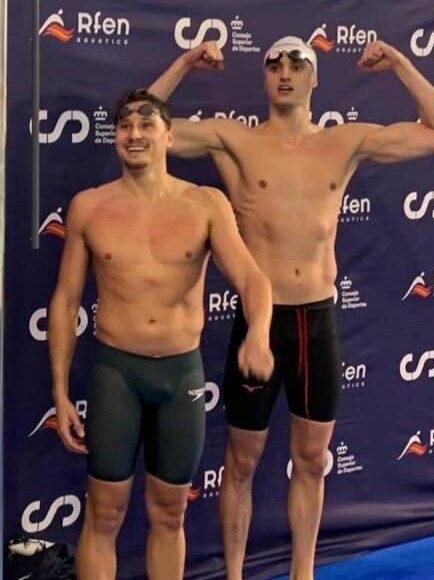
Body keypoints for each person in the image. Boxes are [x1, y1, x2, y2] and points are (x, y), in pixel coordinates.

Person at [148, 35, 434, 580]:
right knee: (241, 462)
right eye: (275, 65)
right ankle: (235, 575)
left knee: (312, 461)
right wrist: (186, 62)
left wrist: (401, 64)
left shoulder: (345, 142)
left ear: (315, 78)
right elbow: (147, 128)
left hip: (316, 321)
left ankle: (302, 573)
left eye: (298, 64)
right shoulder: (235, 140)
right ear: (264, 78)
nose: (285, 73)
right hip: (259, 323)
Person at [49, 89, 274, 580]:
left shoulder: (205, 203)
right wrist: (60, 392)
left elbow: (253, 280)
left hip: (180, 377)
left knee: (170, 512)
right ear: (115, 137)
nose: (134, 134)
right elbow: (65, 301)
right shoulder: (89, 206)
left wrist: (258, 333)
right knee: (104, 511)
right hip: (116, 374)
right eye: (125, 125)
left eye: (146, 124)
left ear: (169, 137)